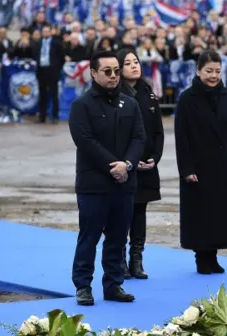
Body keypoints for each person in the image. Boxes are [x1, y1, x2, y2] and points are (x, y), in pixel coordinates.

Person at [68, 50, 146, 306]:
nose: (114, 76)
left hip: (124, 183)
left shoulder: (130, 104)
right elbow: (85, 141)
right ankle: (83, 286)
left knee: (117, 237)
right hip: (94, 184)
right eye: (107, 72)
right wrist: (112, 166)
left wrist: (127, 165)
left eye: (116, 71)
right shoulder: (82, 105)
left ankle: (113, 284)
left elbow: (139, 138)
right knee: (89, 236)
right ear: (94, 73)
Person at [175, 50, 227, 274]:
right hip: (198, 165)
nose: (213, 76)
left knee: (219, 212)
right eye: (209, 71)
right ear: (198, 70)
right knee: (200, 213)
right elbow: (181, 136)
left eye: (218, 71)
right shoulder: (187, 98)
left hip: (222, 164)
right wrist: (187, 168)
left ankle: (213, 256)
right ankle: (201, 257)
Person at [117, 48, 165, 280]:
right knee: (121, 214)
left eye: (136, 62)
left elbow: (158, 131)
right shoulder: (116, 94)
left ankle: (136, 260)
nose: (134, 66)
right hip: (124, 167)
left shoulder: (148, 92)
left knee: (140, 213)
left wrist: (154, 157)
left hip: (146, 166)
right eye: (128, 63)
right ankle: (120, 261)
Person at [35, 24, 64, 124]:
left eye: (47, 31)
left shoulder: (57, 43)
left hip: (52, 72)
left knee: (54, 95)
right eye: (44, 31)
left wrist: (56, 68)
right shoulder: (38, 43)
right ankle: (42, 116)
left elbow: (61, 58)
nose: (46, 33)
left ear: (51, 32)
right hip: (41, 71)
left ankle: (55, 116)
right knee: (42, 95)